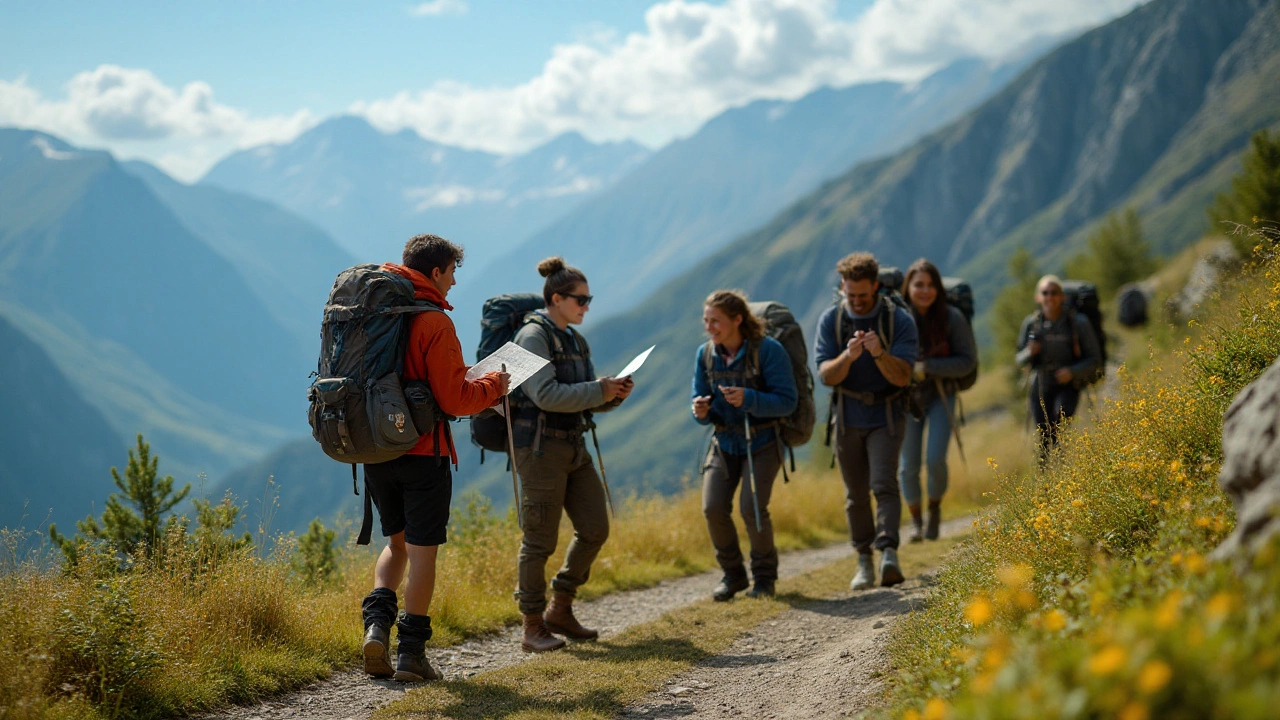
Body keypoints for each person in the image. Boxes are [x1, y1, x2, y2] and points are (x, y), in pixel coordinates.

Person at [361, 234, 510, 683]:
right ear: (436, 272)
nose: (454, 283)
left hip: (375, 447)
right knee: (423, 555)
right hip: (423, 451)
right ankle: (411, 656)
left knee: (395, 545)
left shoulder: (371, 312)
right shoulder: (433, 323)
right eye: (452, 273)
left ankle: (376, 626)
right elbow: (455, 398)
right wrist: (495, 386)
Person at [511, 256, 634, 653]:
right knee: (538, 542)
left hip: (573, 446)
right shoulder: (531, 337)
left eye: (588, 299)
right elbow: (545, 395)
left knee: (596, 528)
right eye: (581, 299)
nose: (587, 306)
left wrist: (611, 395)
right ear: (557, 298)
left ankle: (560, 608)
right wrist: (600, 389)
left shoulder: (576, 340)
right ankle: (532, 626)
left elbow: (582, 397)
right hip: (541, 451)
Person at [814, 252, 918, 590]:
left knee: (883, 484)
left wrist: (879, 354)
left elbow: (903, 377)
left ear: (876, 286)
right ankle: (863, 559)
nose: (857, 302)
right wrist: (848, 356)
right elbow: (826, 376)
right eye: (850, 295)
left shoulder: (898, 320)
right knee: (855, 493)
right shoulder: (831, 320)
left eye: (863, 295)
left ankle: (888, 553)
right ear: (842, 287)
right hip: (847, 416)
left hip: (887, 414)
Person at [691, 291, 799, 601]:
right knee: (713, 508)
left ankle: (764, 579)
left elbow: (788, 402)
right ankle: (733, 576)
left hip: (764, 441)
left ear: (738, 320)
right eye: (706, 320)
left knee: (751, 509)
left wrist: (749, 398)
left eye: (716, 321)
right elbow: (699, 399)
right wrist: (700, 411)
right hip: (725, 441)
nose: (710, 327)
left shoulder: (769, 351)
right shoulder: (705, 354)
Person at [898, 259, 977, 543]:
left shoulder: (952, 318)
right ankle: (916, 522)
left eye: (931, 285)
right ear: (908, 287)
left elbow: (967, 362)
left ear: (938, 289)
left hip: (942, 396)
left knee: (934, 460)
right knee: (908, 466)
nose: (925, 291)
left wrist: (928, 367)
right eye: (919, 284)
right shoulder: (897, 318)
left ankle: (934, 509)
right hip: (906, 400)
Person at [1016, 274, 1101, 463]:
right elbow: (1019, 359)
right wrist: (1030, 353)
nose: (1049, 297)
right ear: (1038, 297)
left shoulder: (1078, 323)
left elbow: (1094, 359)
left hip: (1069, 384)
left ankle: (1063, 473)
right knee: (1043, 436)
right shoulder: (1031, 324)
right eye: (1045, 293)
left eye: (1054, 292)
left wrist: (1072, 372)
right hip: (1040, 385)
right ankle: (1047, 479)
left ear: (1062, 296)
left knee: (1059, 430)